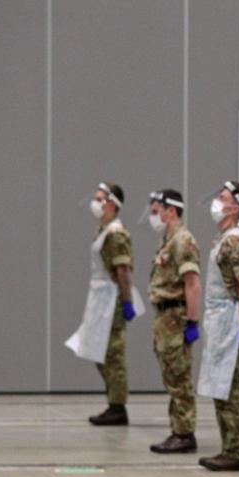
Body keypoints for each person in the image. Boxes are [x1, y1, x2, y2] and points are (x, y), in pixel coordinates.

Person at [66, 182, 141, 426]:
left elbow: (122, 270)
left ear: (111, 203)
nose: (95, 203)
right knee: (97, 350)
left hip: (112, 299)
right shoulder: (103, 230)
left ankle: (118, 406)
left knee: (113, 354)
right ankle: (113, 400)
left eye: (99, 198)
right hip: (99, 297)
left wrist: (127, 301)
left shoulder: (116, 233)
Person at [196, 181, 239, 471]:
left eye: (222, 198)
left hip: (230, 317)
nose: (216, 203)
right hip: (218, 317)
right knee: (220, 385)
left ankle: (236, 450)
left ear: (235, 207)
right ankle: (228, 447)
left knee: (230, 385)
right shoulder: (223, 239)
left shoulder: (235, 241)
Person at [147, 189, 202, 454]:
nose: (152, 215)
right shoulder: (169, 240)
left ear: (171, 211)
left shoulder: (182, 240)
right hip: (164, 316)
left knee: (179, 376)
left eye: (156, 210)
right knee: (171, 374)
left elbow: (192, 283)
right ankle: (177, 429)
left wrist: (192, 322)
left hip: (176, 316)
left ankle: (184, 433)